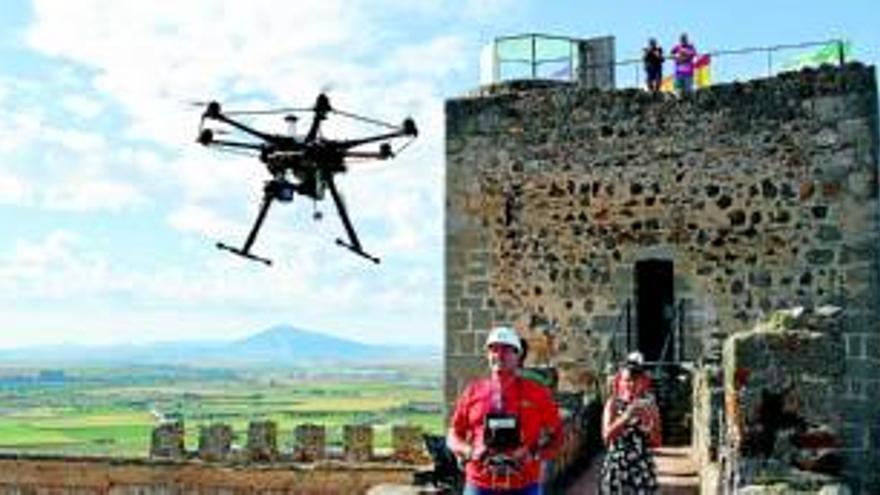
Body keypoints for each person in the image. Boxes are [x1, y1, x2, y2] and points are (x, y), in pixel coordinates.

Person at [447, 326, 564, 494]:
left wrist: (532, 454)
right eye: (493, 349)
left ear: (518, 356)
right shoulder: (473, 391)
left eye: (507, 350)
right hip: (480, 484)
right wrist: (470, 451)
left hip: (524, 485)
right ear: (488, 355)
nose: (499, 355)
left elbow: (558, 438)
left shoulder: (537, 394)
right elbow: (452, 435)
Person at [600, 352, 662, 494]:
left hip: (642, 468)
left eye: (635, 380)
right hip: (617, 467)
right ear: (620, 382)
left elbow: (657, 441)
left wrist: (649, 426)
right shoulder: (613, 404)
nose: (631, 384)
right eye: (627, 380)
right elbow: (606, 437)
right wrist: (626, 416)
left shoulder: (650, 406)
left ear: (642, 382)